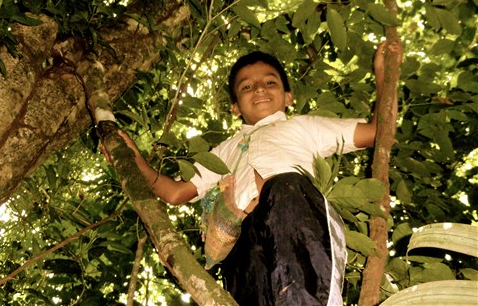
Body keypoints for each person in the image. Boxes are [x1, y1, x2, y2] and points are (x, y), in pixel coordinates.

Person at [116, 41, 400, 305]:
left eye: (269, 82)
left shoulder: (303, 126)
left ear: (288, 97)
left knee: (285, 186)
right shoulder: (225, 150)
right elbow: (176, 192)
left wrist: (384, 76)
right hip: (244, 239)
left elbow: (376, 132)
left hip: (295, 221)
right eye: (247, 87)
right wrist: (135, 158)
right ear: (235, 108)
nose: (260, 89)